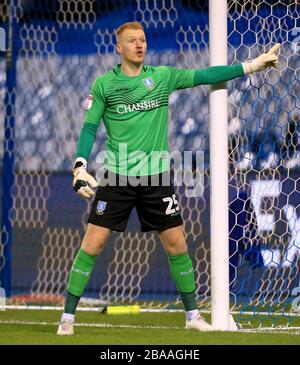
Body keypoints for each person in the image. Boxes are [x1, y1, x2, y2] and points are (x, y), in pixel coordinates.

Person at [57, 21, 280, 335]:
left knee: (177, 246)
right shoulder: (104, 84)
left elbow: (205, 76)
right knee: (92, 245)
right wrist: (80, 164)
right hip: (118, 177)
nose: (139, 44)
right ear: (118, 47)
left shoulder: (162, 77)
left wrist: (252, 65)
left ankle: (192, 317)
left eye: (143, 39)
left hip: (155, 178)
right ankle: (67, 319)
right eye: (132, 40)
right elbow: (90, 127)